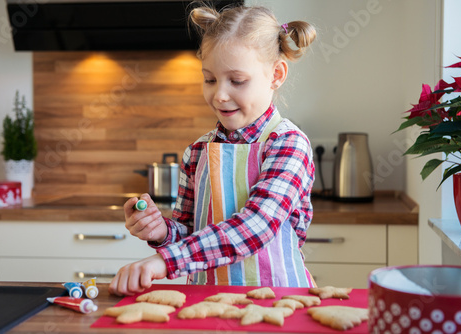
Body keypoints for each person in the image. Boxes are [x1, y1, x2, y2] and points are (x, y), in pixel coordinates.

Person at [109, 3, 317, 296]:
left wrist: (163, 263)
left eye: (237, 81)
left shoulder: (288, 145)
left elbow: (255, 227)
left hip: (279, 301)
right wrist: (161, 232)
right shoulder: (197, 151)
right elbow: (188, 234)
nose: (219, 95)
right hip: (207, 299)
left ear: (276, 75)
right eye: (210, 79)